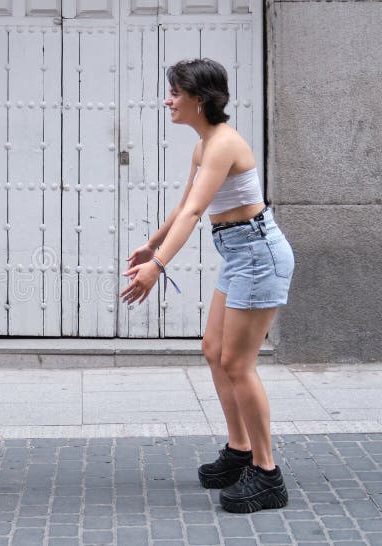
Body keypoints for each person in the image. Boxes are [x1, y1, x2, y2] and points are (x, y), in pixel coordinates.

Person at [121, 59, 294, 514]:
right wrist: (151, 245)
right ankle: (240, 452)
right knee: (214, 349)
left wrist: (158, 266)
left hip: (258, 255)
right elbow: (185, 206)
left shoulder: (223, 145)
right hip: (240, 254)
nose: (168, 100)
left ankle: (267, 474)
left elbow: (197, 213)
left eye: (175, 92)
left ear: (199, 99)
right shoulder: (205, 145)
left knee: (238, 362)